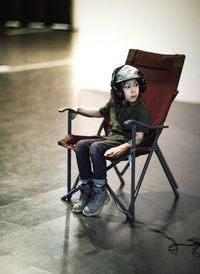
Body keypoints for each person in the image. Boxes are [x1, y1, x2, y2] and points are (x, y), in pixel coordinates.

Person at [72, 65, 151, 217]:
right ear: (119, 91)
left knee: (95, 147)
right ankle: (87, 190)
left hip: (124, 142)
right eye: (127, 87)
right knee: (81, 145)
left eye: (136, 85)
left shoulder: (142, 110)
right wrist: (78, 108)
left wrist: (123, 148)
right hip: (109, 139)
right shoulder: (114, 103)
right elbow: (99, 112)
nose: (133, 90)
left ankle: (100, 192)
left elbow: (139, 138)